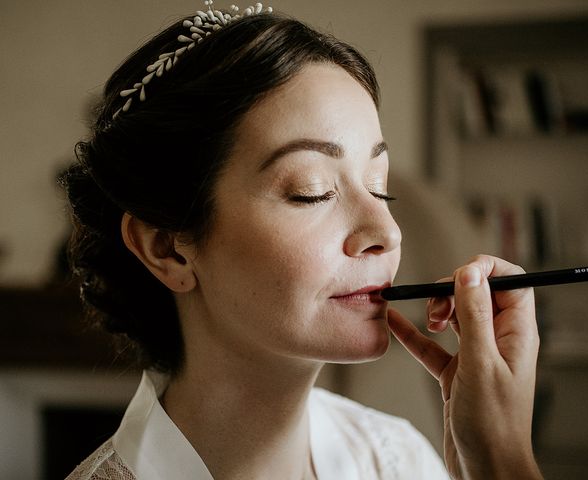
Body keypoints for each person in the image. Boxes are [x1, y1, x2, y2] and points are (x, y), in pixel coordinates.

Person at [62, 3, 543, 479]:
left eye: (380, 186)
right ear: (166, 248)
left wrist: (494, 463)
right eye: (310, 191)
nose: (388, 232)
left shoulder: (398, 457)